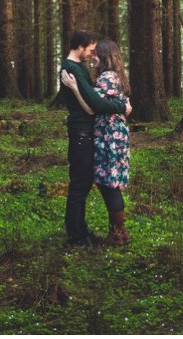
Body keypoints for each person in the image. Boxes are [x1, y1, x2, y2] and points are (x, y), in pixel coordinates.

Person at [55, 31, 128, 248]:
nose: (91, 54)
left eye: (96, 52)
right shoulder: (72, 68)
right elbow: (94, 105)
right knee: (80, 185)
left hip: (93, 134)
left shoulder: (84, 70)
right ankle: (77, 236)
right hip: (82, 134)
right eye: (90, 49)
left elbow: (92, 105)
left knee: (88, 184)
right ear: (81, 46)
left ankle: (85, 231)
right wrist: (122, 107)